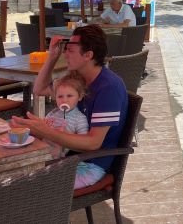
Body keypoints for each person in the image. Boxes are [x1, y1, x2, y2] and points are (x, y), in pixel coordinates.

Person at [12, 25, 128, 189]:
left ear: (88, 55)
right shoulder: (78, 80)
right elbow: (39, 89)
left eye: (70, 50)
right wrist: (52, 57)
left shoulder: (108, 87)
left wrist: (45, 130)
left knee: (21, 184)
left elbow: (93, 143)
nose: (65, 54)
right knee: (13, 169)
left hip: (89, 164)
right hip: (69, 155)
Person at [44, 71, 89, 159]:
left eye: (69, 96)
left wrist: (66, 135)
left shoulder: (79, 119)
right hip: (43, 151)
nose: (64, 100)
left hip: (59, 159)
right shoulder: (52, 113)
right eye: (60, 96)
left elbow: (83, 142)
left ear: (79, 96)